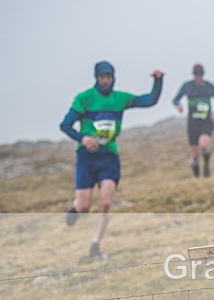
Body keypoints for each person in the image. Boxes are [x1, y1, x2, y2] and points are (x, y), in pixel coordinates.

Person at [60, 61, 164, 259]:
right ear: (97, 78)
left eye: (108, 77)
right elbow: (65, 125)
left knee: (105, 202)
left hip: (109, 156)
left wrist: (158, 81)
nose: (105, 81)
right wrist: (83, 138)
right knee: (84, 207)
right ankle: (75, 208)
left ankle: (95, 245)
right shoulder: (84, 98)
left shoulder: (120, 98)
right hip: (87, 157)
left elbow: (150, 100)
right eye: (102, 77)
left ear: (113, 78)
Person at [172, 63, 214, 178]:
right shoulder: (187, 86)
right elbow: (175, 99)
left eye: (200, 75)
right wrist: (178, 105)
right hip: (193, 123)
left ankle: (206, 166)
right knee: (194, 153)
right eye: (196, 76)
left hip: (206, 121)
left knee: (204, 144)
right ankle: (197, 176)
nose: (198, 78)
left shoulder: (209, 86)